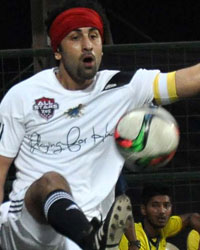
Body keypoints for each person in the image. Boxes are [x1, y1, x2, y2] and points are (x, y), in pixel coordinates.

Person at [1, 0, 200, 249]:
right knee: (50, 181)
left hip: (84, 229)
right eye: (75, 37)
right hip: (27, 227)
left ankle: (91, 238)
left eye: (94, 36)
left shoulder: (124, 87)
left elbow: (189, 78)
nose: (87, 45)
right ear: (57, 51)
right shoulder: (23, 96)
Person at [119, 184, 200, 250]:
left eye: (166, 205)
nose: (162, 211)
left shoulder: (165, 228)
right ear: (143, 209)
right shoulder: (134, 237)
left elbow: (191, 218)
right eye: (155, 205)